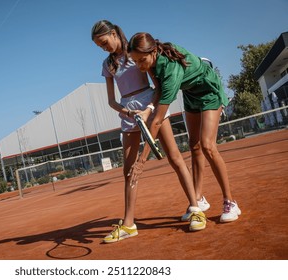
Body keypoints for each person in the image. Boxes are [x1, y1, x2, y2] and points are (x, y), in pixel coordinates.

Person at [91, 20, 206, 244]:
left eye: (104, 42)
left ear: (113, 34)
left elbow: (159, 85)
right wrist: (127, 112)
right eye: (99, 46)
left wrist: (149, 108)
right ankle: (129, 224)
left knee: (174, 157)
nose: (103, 48)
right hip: (128, 115)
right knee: (128, 169)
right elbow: (111, 101)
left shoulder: (136, 54)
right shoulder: (108, 65)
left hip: (150, 105)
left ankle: (195, 208)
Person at [127, 32, 241, 223]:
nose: (139, 66)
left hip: (209, 91)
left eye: (142, 60)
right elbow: (158, 91)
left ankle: (230, 201)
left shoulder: (170, 69)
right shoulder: (153, 62)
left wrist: (141, 161)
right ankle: (198, 199)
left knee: (207, 146)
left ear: (153, 51)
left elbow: (157, 121)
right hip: (191, 95)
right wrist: (147, 109)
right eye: (135, 61)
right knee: (194, 145)